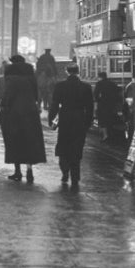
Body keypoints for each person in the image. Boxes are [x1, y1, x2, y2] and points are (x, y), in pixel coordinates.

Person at [0, 54, 46, 183]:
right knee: (30, 141)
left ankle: (17, 171)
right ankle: (29, 170)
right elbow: (36, 95)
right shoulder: (31, 76)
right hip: (30, 112)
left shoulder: (11, 77)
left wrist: (3, 105)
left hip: (14, 113)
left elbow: (7, 95)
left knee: (15, 141)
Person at [48, 62, 94, 190]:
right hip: (79, 118)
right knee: (77, 147)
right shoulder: (86, 87)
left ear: (67, 71)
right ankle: (75, 176)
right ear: (78, 72)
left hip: (65, 118)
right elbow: (90, 107)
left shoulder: (60, 86)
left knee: (63, 144)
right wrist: (88, 122)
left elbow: (54, 104)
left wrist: (52, 120)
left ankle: (65, 171)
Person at [94, 71, 120, 142]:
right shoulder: (112, 84)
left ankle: (105, 135)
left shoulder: (99, 83)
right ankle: (111, 135)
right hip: (111, 105)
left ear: (99, 77)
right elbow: (117, 93)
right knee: (110, 119)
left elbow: (96, 94)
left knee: (102, 120)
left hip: (102, 104)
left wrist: (98, 101)